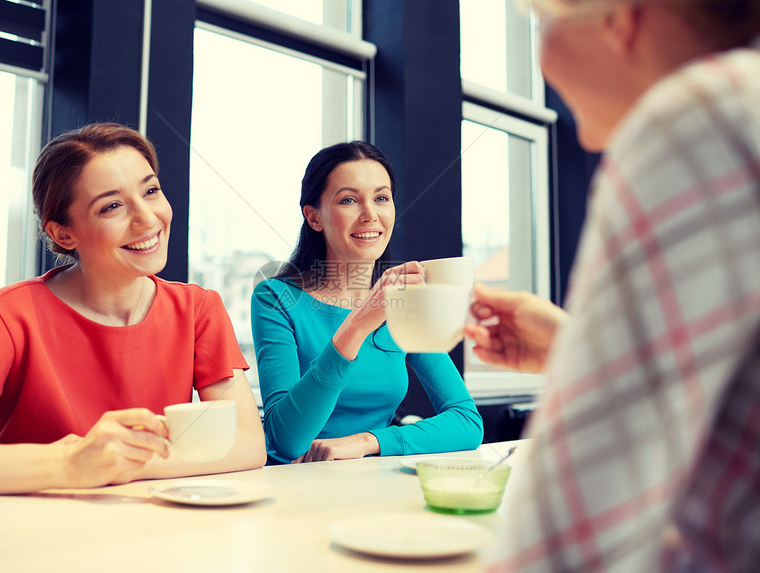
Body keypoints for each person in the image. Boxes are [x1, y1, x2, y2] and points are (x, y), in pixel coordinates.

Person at [465, 1, 760, 570]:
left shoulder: (703, 118)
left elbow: (567, 547)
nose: (540, 54)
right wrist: (577, 350)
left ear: (616, 17)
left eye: (538, 21)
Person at [0, 123, 266, 494]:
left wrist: (119, 464)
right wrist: (70, 465)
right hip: (22, 535)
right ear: (63, 234)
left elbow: (248, 443)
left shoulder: (198, 309)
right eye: (112, 206)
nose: (147, 218)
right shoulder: (8, 317)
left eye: (151, 191)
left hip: (151, 535)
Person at [251, 141, 483, 464]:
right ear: (314, 217)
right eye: (349, 200)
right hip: (295, 487)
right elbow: (286, 439)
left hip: (374, 487)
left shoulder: (406, 303)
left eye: (381, 198)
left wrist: (367, 441)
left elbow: (467, 423)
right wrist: (359, 324)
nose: (371, 215)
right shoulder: (276, 298)